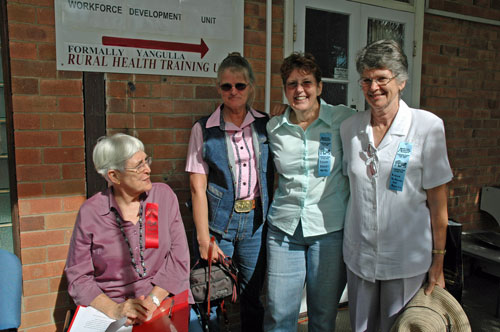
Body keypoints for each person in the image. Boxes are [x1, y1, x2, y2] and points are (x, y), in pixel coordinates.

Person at [340, 39, 453, 332]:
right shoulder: (350, 129)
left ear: (401, 81)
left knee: (400, 328)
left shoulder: (427, 127)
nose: (373, 86)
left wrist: (438, 263)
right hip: (360, 257)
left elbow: (438, 202)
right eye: (366, 79)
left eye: (381, 78)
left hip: (405, 259)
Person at [264, 52, 355, 332]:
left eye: (306, 82)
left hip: (328, 231)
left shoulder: (344, 119)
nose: (299, 90)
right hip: (284, 230)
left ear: (319, 86)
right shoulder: (274, 127)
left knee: (323, 316)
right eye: (292, 84)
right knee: (279, 314)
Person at [65, 133, 193, 327]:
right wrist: (115, 309)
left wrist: (152, 301)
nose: (148, 169)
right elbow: (78, 276)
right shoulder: (91, 212)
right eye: (138, 166)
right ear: (114, 176)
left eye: (146, 161)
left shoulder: (162, 197)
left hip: (165, 298)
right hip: (114, 310)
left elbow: (179, 258)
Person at [185, 52, 274, 331]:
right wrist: (203, 239)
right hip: (218, 227)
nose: (233, 91)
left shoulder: (266, 124)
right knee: (211, 297)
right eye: (226, 86)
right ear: (219, 88)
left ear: (251, 87)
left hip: (256, 225)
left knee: (252, 298)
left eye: (240, 85)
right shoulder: (204, 129)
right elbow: (197, 188)